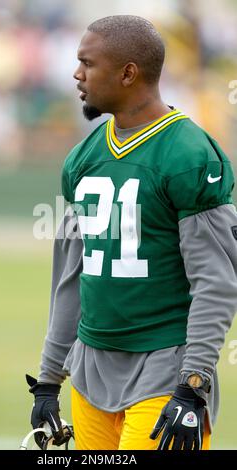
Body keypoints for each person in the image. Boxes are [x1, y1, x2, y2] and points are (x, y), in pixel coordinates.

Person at [26, 15, 237, 450]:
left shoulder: (189, 155)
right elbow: (72, 277)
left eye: (88, 63)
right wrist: (49, 378)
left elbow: (216, 282)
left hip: (164, 370)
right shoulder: (84, 157)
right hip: (90, 373)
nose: (76, 74)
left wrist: (193, 384)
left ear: (127, 73)